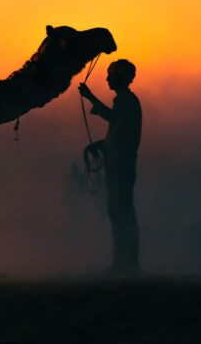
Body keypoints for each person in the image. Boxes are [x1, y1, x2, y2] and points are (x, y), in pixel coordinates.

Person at [78, 59, 142, 275]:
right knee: (118, 212)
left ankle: (126, 262)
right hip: (117, 162)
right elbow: (118, 132)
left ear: (120, 77)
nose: (107, 78)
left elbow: (115, 120)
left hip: (120, 164)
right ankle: (123, 261)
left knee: (121, 211)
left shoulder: (128, 102)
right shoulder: (126, 101)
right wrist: (100, 145)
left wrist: (89, 96)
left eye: (110, 75)